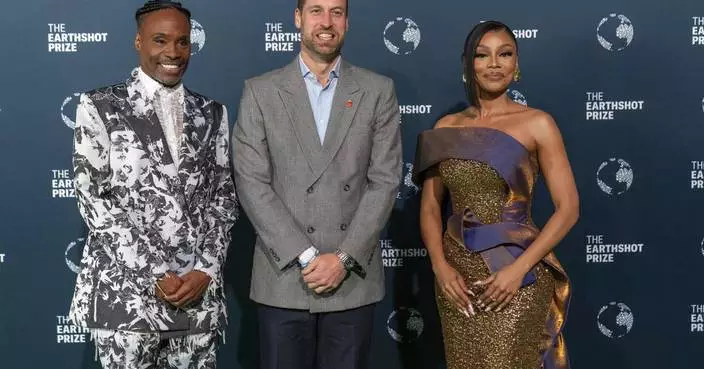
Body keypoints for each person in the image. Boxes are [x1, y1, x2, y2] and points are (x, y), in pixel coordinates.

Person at [232, 0, 402, 368]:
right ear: (298, 18)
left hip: (352, 280)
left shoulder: (377, 90)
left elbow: (385, 181)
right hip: (285, 279)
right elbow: (251, 183)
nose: (326, 22)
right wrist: (308, 257)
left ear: (347, 21)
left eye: (336, 12)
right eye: (316, 10)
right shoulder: (260, 92)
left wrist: (342, 259)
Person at [68, 1, 238, 368]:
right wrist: (156, 273)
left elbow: (223, 198)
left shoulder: (213, 113)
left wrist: (205, 269)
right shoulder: (100, 105)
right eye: (160, 40)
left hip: (197, 300)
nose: (173, 53)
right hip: (127, 301)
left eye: (182, 42)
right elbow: (94, 199)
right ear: (138, 42)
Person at [413, 20, 578, 369]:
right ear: (468, 64)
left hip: (517, 280)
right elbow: (430, 206)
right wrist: (440, 267)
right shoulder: (446, 128)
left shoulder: (538, 123)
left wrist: (517, 270)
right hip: (457, 284)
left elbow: (568, 209)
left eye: (505, 54)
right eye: (482, 55)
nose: (494, 64)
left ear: (516, 64)